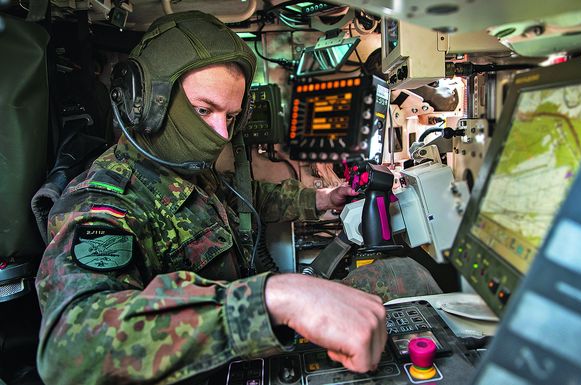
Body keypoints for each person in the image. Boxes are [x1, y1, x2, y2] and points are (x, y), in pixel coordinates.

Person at [36, 11, 439, 385]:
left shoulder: (186, 170)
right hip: (216, 364)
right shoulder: (103, 201)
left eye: (230, 117)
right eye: (204, 110)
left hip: (252, 350)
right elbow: (69, 347)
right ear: (144, 104)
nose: (222, 135)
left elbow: (244, 199)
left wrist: (322, 199)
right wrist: (275, 299)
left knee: (405, 272)